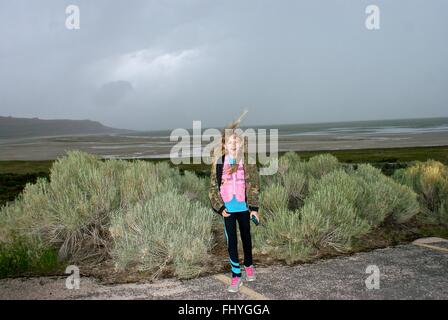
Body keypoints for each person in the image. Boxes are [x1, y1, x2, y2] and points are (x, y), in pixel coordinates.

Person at [208, 113, 261, 293]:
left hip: (244, 208)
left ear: (241, 144)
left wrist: (253, 208)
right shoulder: (218, 163)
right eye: (230, 141)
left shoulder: (248, 161)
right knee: (232, 243)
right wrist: (220, 208)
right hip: (228, 210)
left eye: (237, 141)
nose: (234, 144)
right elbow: (212, 188)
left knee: (246, 239)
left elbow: (254, 185)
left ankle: (249, 264)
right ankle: (236, 276)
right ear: (224, 144)